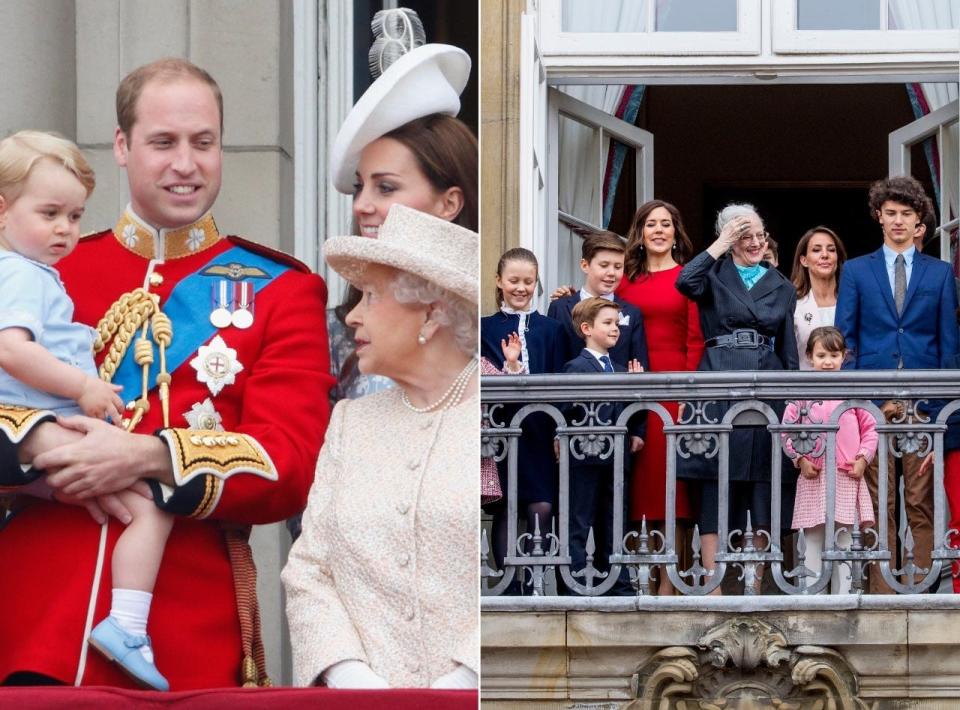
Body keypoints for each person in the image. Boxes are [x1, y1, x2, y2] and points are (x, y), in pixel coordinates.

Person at [0, 58, 333, 689]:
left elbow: (290, 462)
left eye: (203, 143)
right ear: (122, 147)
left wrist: (148, 457)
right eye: (163, 143)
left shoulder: (282, 291)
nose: (186, 163)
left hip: (182, 631)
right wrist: (37, 442)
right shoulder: (48, 268)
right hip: (29, 614)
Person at [0, 130, 176, 690]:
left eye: (74, 216)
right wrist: (83, 387)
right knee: (151, 508)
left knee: (117, 502)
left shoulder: (29, 270)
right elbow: (12, 348)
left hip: (43, 434)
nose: (64, 230)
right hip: (42, 423)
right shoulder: (23, 274)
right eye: (49, 212)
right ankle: (127, 625)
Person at [283, 204, 478, 689]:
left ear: (431, 314)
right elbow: (308, 569)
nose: (351, 315)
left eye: (370, 296)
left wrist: (461, 683)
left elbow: (524, 559)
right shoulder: (351, 421)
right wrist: (353, 679)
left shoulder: (502, 420)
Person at [327, 8, 477, 404]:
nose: (362, 205)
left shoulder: (491, 325)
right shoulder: (336, 333)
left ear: (450, 203)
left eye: (386, 188)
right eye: (360, 187)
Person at [835, 174, 959, 594]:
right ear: (878, 217)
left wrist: (944, 411)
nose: (899, 221)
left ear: (919, 220)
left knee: (920, 501)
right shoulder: (856, 270)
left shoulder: (940, 273)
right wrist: (853, 404)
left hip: (924, 405)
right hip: (873, 402)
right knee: (879, 501)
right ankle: (882, 589)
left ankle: (920, 586)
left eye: (907, 214)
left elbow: (948, 345)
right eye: (891, 213)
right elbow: (845, 341)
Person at [675, 202, 799, 592]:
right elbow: (683, 282)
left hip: (766, 379)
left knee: (763, 478)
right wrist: (719, 245)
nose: (755, 242)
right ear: (729, 239)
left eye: (759, 234)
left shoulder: (780, 284)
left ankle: (757, 585)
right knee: (715, 477)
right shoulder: (713, 273)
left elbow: (790, 351)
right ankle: (713, 584)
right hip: (718, 377)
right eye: (744, 235)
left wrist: (793, 403)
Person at [617, 199, 703, 595]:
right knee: (641, 487)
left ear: (675, 232)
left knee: (673, 487)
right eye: (651, 224)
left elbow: (695, 338)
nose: (658, 230)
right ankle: (641, 581)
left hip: (674, 389)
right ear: (640, 231)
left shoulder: (688, 277)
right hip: (634, 385)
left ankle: (671, 583)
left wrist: (689, 389)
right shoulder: (623, 281)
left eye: (666, 224)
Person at [481, 247, 564, 591]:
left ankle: (533, 580)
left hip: (543, 432)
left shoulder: (552, 329)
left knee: (542, 505)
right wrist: (509, 367)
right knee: (508, 507)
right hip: (501, 431)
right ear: (499, 281)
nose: (521, 287)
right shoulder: (484, 327)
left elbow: (563, 381)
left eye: (528, 281)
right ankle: (509, 586)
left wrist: (562, 432)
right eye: (513, 280)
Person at [782, 327, 877, 594]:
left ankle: (843, 597)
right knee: (812, 538)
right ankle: (812, 598)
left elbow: (870, 428)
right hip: (814, 475)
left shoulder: (852, 390)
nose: (827, 362)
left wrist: (862, 458)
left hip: (846, 475)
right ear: (809, 356)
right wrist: (799, 459)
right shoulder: (801, 392)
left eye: (833, 355)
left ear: (843, 357)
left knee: (845, 539)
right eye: (821, 355)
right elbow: (786, 430)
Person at [561, 297, 644, 595]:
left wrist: (638, 389)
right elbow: (568, 411)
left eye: (617, 324)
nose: (615, 329)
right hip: (584, 456)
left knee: (614, 520)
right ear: (586, 328)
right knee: (579, 520)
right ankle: (576, 582)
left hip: (617, 457)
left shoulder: (621, 369)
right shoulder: (575, 367)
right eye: (607, 323)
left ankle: (618, 583)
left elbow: (632, 412)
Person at [546, 231, 648, 369]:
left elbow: (639, 366)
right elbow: (553, 364)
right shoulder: (560, 308)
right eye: (604, 265)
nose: (611, 273)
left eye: (618, 267)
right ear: (585, 265)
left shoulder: (632, 313)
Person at [790, 226, 847, 370]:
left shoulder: (853, 302)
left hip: (848, 388)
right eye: (816, 250)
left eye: (831, 250)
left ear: (838, 257)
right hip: (804, 389)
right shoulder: (793, 305)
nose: (825, 255)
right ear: (804, 260)